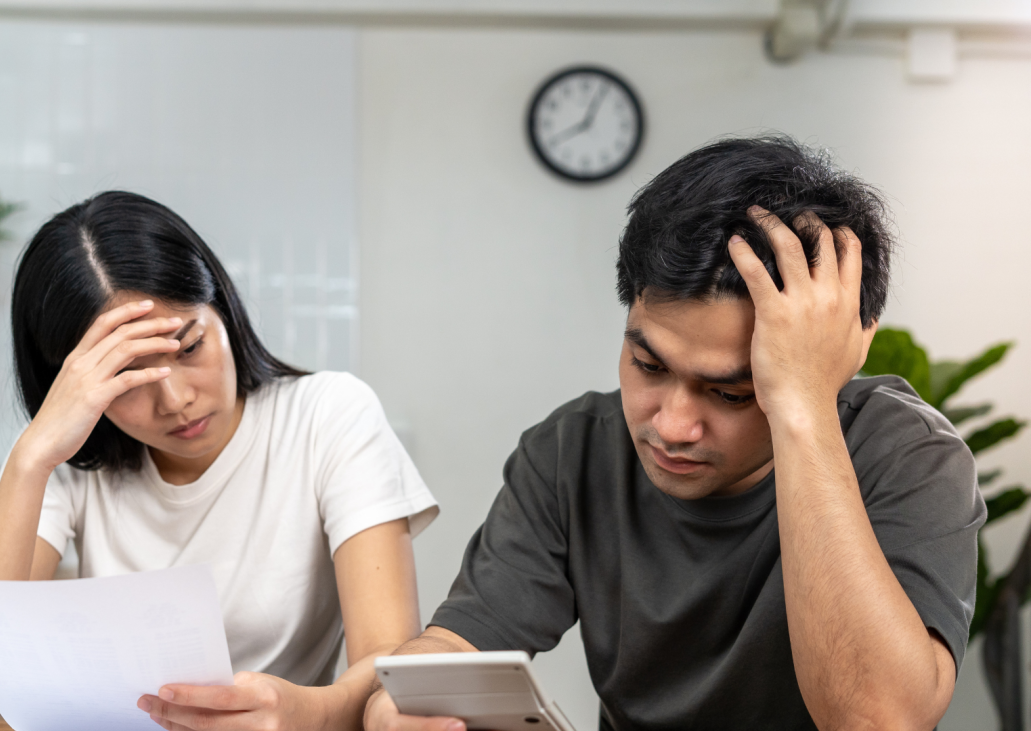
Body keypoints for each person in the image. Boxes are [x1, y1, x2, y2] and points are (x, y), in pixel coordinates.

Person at [363, 136, 984, 731]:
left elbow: (878, 721)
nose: (671, 426)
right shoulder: (571, 452)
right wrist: (401, 701)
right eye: (649, 366)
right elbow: (457, 644)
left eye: (733, 393)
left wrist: (802, 407)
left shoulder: (907, 455)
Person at [0, 191, 439, 731]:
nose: (174, 401)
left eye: (189, 347)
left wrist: (301, 713)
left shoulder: (329, 416)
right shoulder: (67, 459)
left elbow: (387, 666)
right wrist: (31, 455)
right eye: (127, 377)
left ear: (222, 307)